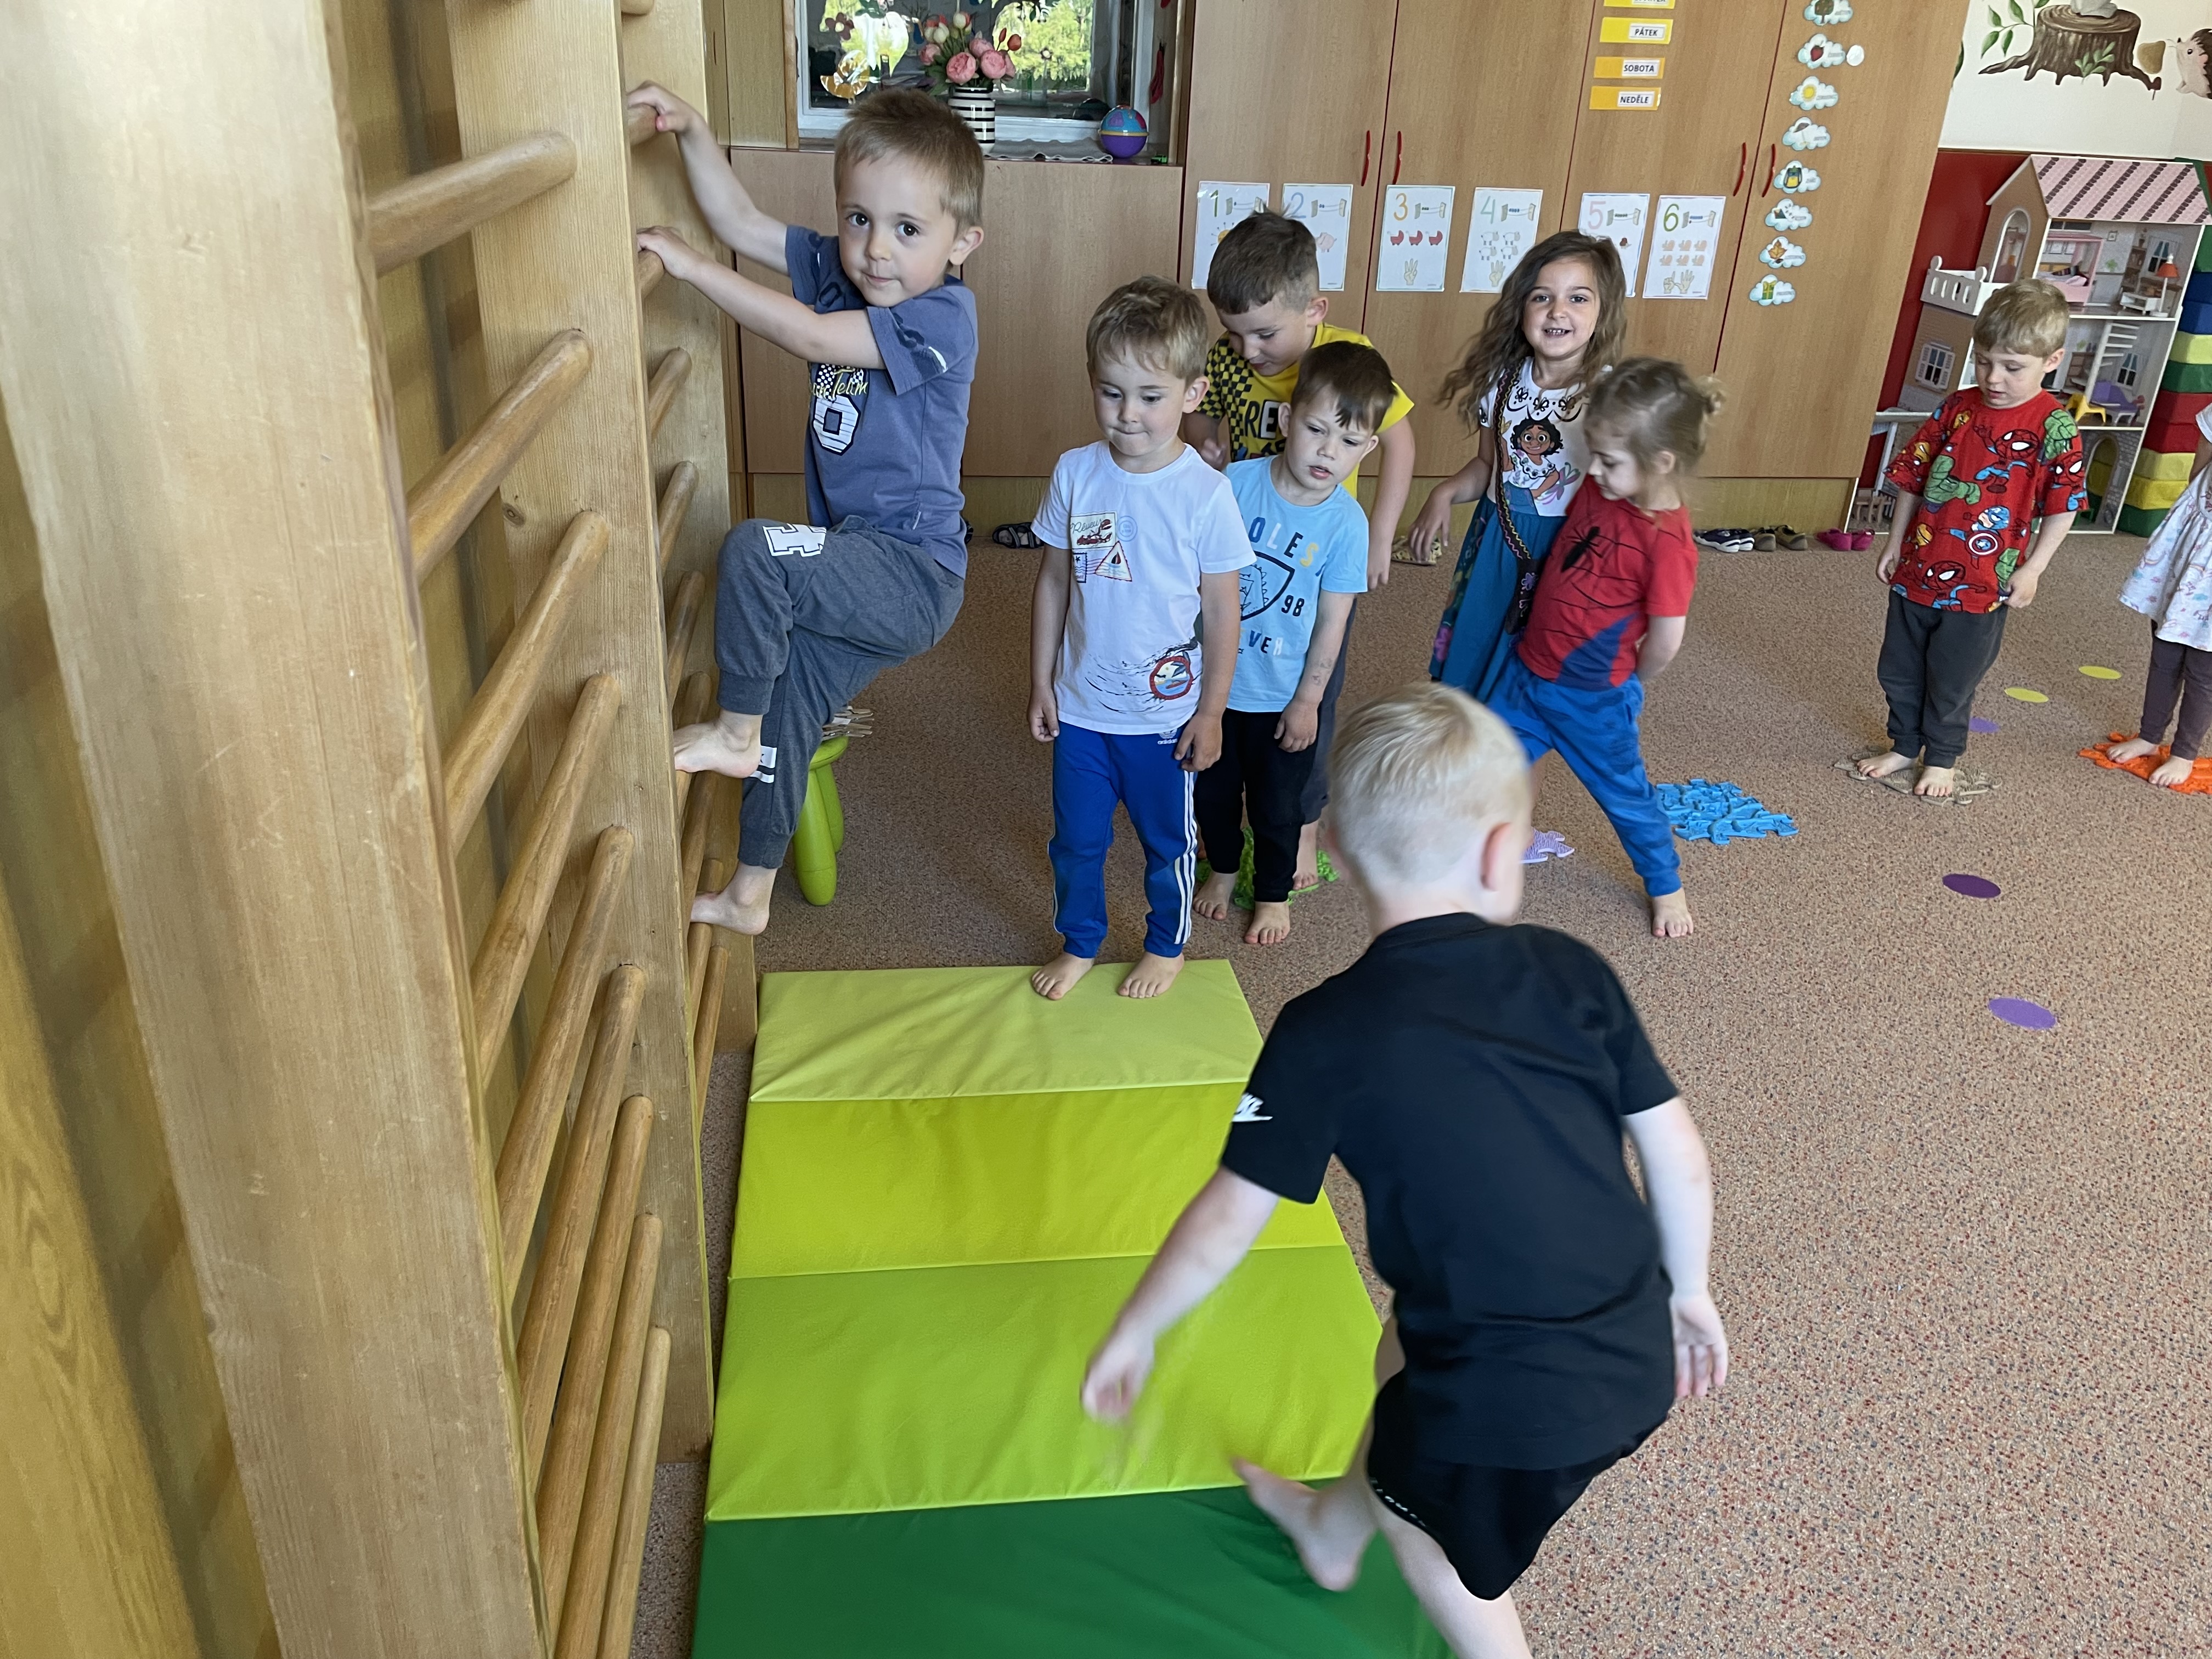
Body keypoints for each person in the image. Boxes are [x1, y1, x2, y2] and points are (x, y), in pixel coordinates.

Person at [1081, 682, 1727, 1659]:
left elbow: (1225, 1219)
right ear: (1502, 853)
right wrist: (1690, 1291)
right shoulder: (1572, 970)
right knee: (1401, 1350)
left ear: (1333, 852)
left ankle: (1401, 1552)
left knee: (1429, 1536)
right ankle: (1329, 1531)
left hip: (1506, 1398)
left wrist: (1136, 1329)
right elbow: (1678, 1154)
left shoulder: (1319, 1029)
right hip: (1635, 1348)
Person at [633, 81, 984, 937]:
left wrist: (693, 269)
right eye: (858, 219)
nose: (875, 250)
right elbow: (742, 222)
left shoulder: (945, 316)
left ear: (962, 243)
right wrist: (692, 130)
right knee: (787, 704)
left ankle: (733, 732)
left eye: (908, 230)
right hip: (858, 558)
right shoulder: (839, 268)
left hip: (912, 573)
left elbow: (813, 337)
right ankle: (749, 893)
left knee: (756, 549)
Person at [1028, 277, 1251, 1002]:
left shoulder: (1206, 494)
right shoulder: (1076, 472)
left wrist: (1211, 712)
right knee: (1076, 843)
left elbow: (1223, 613)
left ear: (1192, 394)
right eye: (1111, 392)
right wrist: (1042, 682)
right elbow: (1054, 583)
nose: (1128, 414)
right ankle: (1080, 941)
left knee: (1168, 844)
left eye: (1151, 396)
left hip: (1164, 721)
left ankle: (1166, 945)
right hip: (1082, 712)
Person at [1186, 211, 1418, 890]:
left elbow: (1398, 441)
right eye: (1235, 333)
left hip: (1319, 555)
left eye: (1264, 334)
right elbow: (1200, 418)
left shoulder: (1347, 357)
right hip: (1245, 538)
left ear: (1314, 311)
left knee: (1313, 690)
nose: (1249, 349)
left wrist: (1381, 533)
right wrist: (1207, 447)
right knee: (1226, 663)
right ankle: (1220, 800)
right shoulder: (1229, 359)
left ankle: (1303, 822)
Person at [1488, 359, 1722, 940]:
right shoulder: (1599, 488)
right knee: (1485, 765)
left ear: (1661, 463)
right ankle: (1491, 853)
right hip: (1527, 673)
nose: (1592, 470)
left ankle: (1666, 885)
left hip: (1593, 697)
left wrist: (1630, 679)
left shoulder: (1669, 544)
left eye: (1609, 461)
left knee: (1626, 797)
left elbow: (1666, 640)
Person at [1855, 279, 2085, 798]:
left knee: (1953, 677)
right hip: (1918, 567)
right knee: (1898, 668)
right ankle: (1903, 744)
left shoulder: (2055, 426)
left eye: (2012, 367)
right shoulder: (1956, 407)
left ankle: (1941, 757)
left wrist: (2034, 569)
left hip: (1984, 585)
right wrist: (1894, 542)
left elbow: (2064, 505)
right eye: (1984, 362)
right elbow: (1914, 477)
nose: (1994, 378)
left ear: (2052, 360)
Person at [1194, 341, 1390, 946]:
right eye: (1316, 429)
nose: (1329, 452)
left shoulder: (1347, 525)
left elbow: (1333, 624)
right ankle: (1224, 870)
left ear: (1368, 449)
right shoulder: (1235, 485)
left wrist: (1309, 701)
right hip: (1216, 688)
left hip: (1283, 699)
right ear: (1286, 420)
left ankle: (1273, 895)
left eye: (1349, 441)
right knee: (1213, 796)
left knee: (1278, 809)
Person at [1411, 233, 1627, 704]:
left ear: (1604, 311)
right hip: (1497, 537)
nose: (1557, 311)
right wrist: (1444, 492)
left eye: (1578, 298)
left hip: (1566, 547)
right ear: (1521, 306)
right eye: (1542, 297)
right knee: (1472, 660)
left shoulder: (1610, 396)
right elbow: (1488, 465)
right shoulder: (1501, 381)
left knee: (1537, 675)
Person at [2109, 400, 2212, 786]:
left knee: (2204, 669)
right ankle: (2150, 735)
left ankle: (2184, 753)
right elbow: (2204, 452)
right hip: (2195, 541)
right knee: (2165, 651)